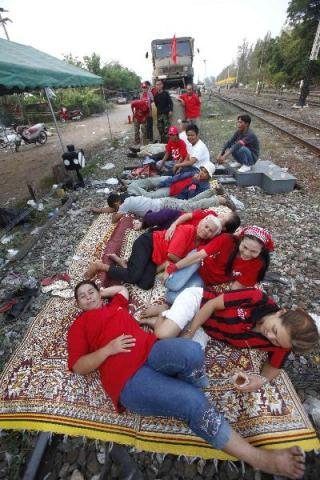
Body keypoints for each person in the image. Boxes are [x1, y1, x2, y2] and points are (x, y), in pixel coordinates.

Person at [68, 280, 306, 480]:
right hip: (128, 377)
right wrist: (107, 350)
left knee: (192, 351)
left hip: (151, 351)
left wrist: (99, 292)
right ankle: (259, 458)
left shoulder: (116, 305)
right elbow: (78, 366)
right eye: (82, 297)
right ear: (78, 304)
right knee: (191, 401)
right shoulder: (79, 325)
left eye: (91, 292)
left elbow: (122, 290)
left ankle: (193, 391)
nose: (88, 297)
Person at [140, 286, 319, 393]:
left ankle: (173, 316)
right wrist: (189, 331)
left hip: (207, 331)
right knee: (163, 335)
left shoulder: (284, 343)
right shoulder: (256, 298)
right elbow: (212, 304)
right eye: (274, 330)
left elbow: (274, 367)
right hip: (199, 302)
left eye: (277, 341)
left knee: (184, 361)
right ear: (281, 313)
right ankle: (165, 312)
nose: (269, 336)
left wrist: (260, 380)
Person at [85, 216, 222, 290]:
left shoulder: (202, 243)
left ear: (212, 236)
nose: (206, 231)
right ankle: (100, 266)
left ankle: (124, 263)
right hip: (148, 243)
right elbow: (172, 256)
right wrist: (179, 263)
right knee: (133, 276)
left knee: (146, 284)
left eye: (210, 231)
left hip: (155, 256)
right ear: (201, 223)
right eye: (206, 226)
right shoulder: (187, 230)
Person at [164, 225, 273, 304]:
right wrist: (172, 268)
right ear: (240, 240)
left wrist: (214, 300)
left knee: (171, 298)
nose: (247, 253)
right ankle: (167, 265)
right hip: (199, 262)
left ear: (261, 251)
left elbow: (235, 288)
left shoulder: (257, 264)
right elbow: (199, 256)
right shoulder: (226, 239)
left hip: (206, 280)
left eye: (253, 252)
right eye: (244, 247)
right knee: (172, 284)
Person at [90, 191, 232, 224]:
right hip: (163, 202)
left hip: (164, 204)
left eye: (115, 207)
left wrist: (112, 212)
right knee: (189, 202)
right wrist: (100, 210)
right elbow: (114, 210)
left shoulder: (125, 205)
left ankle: (218, 199)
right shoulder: (126, 199)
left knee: (190, 206)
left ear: (116, 203)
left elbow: (115, 218)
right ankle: (212, 191)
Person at [128, 163, 215, 199]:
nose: (202, 173)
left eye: (205, 172)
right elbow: (179, 176)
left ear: (209, 176)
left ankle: (131, 187)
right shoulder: (195, 172)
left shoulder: (205, 187)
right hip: (171, 181)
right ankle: (131, 183)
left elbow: (191, 198)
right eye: (202, 170)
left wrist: (194, 183)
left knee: (150, 196)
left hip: (173, 191)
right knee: (151, 181)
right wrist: (165, 182)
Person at [133, 208, 240, 235]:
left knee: (155, 234)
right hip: (177, 217)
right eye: (223, 213)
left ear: (224, 228)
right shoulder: (211, 214)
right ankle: (144, 222)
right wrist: (174, 224)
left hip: (179, 231)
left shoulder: (214, 233)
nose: (220, 215)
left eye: (223, 218)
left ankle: (152, 228)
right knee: (155, 217)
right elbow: (189, 215)